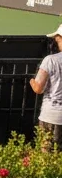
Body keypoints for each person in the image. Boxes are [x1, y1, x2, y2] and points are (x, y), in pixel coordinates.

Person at [29, 24, 62, 152]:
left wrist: (32, 80)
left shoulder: (50, 60)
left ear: (59, 38)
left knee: (47, 155)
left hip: (52, 116)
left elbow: (38, 88)